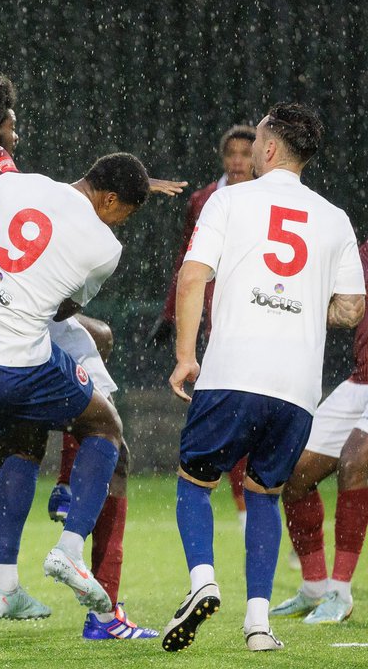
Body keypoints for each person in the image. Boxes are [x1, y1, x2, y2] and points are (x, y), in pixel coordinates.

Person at [0, 64, 158, 638]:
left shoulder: (13, 184)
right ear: (108, 197)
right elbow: (61, 311)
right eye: (124, 211)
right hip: (10, 364)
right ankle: (69, 548)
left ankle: (3, 584)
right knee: (105, 426)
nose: (120, 222)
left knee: (23, 434)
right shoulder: (105, 245)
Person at [163, 102, 365, 653]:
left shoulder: (230, 199)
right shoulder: (335, 217)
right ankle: (258, 626)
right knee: (266, 495)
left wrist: (185, 355)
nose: (249, 148)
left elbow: (193, 274)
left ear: (270, 148)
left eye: (255, 139)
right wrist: (302, 308)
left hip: (234, 371)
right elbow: (351, 308)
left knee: (193, 482)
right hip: (297, 389)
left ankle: (202, 581)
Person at [150, 124, 258, 526]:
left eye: (246, 154)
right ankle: (244, 508)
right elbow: (187, 261)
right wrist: (170, 315)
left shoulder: (266, 201)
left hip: (253, 319)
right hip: (214, 324)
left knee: (253, 414)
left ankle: (256, 499)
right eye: (232, 152)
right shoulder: (203, 200)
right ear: (222, 155)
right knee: (226, 418)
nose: (238, 160)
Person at [269, 240, 368, 626]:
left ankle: (339, 594)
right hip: (360, 379)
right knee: (293, 472)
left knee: (354, 462)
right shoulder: (360, 250)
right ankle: (313, 587)